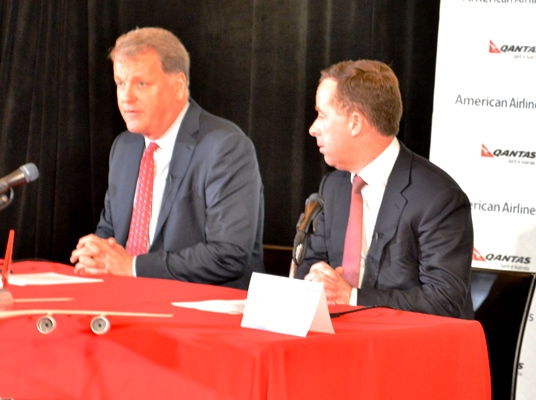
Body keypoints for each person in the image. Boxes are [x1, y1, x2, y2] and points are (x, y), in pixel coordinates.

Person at [70, 27, 264, 289]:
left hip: (203, 304)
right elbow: (110, 232)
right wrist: (97, 252)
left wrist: (133, 267)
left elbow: (228, 254)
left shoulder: (225, 147)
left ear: (178, 86)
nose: (126, 97)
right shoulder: (124, 147)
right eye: (120, 83)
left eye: (141, 84)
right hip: (126, 297)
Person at [297, 59, 474, 319]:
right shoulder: (332, 187)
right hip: (339, 335)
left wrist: (352, 297)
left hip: (409, 340)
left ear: (355, 123)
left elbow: (443, 300)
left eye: (322, 116)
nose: (313, 129)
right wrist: (316, 280)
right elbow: (311, 265)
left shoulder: (438, 198)